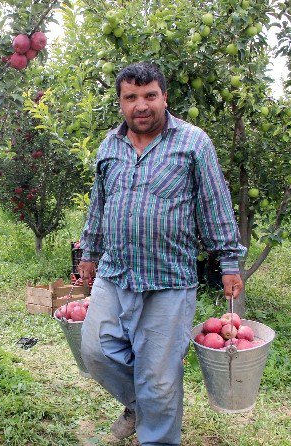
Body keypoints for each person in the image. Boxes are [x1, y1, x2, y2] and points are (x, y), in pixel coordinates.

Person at [78, 62, 246, 446]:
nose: (141, 105)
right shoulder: (110, 145)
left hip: (169, 279)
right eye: (131, 97)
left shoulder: (193, 142)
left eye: (150, 96)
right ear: (120, 103)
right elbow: (99, 205)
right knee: (96, 351)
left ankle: (156, 435)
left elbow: (215, 204)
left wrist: (229, 262)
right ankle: (141, 405)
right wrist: (89, 251)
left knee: (161, 376)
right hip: (115, 272)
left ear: (164, 97)